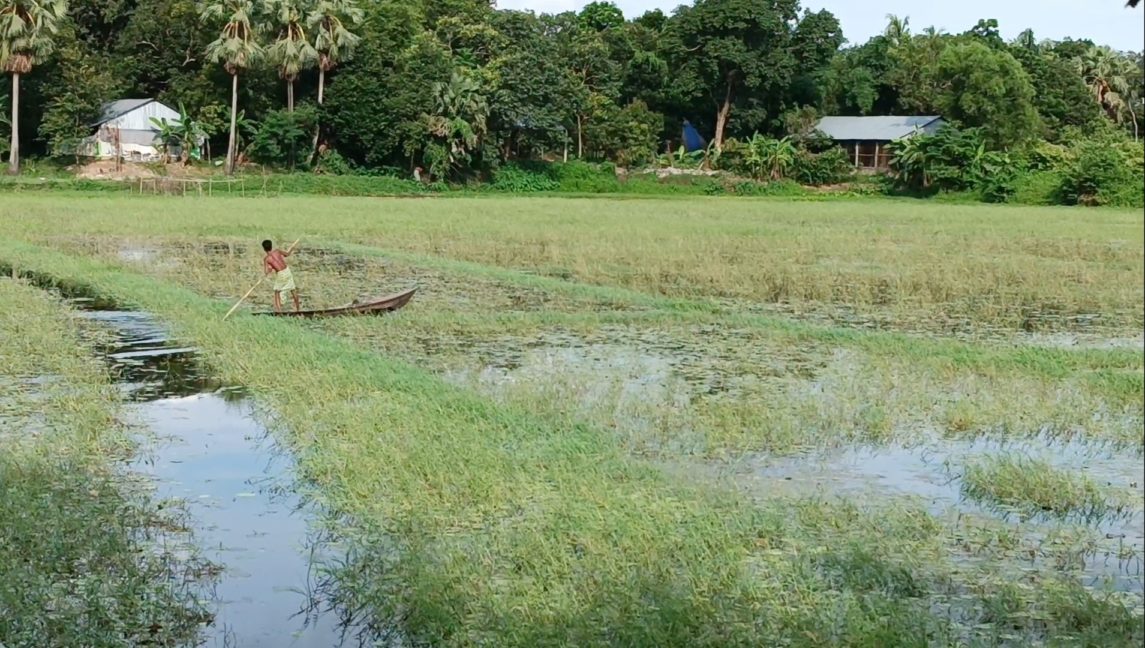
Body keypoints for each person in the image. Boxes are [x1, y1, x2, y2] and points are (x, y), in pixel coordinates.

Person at [262, 239, 300, 313]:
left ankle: (279, 312)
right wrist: (292, 249)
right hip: (287, 271)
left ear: (264, 249)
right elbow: (287, 254)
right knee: (293, 289)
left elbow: (266, 272)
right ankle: (298, 309)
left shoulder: (266, 259)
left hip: (281, 274)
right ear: (271, 246)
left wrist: (270, 269)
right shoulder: (277, 251)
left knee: (277, 292)